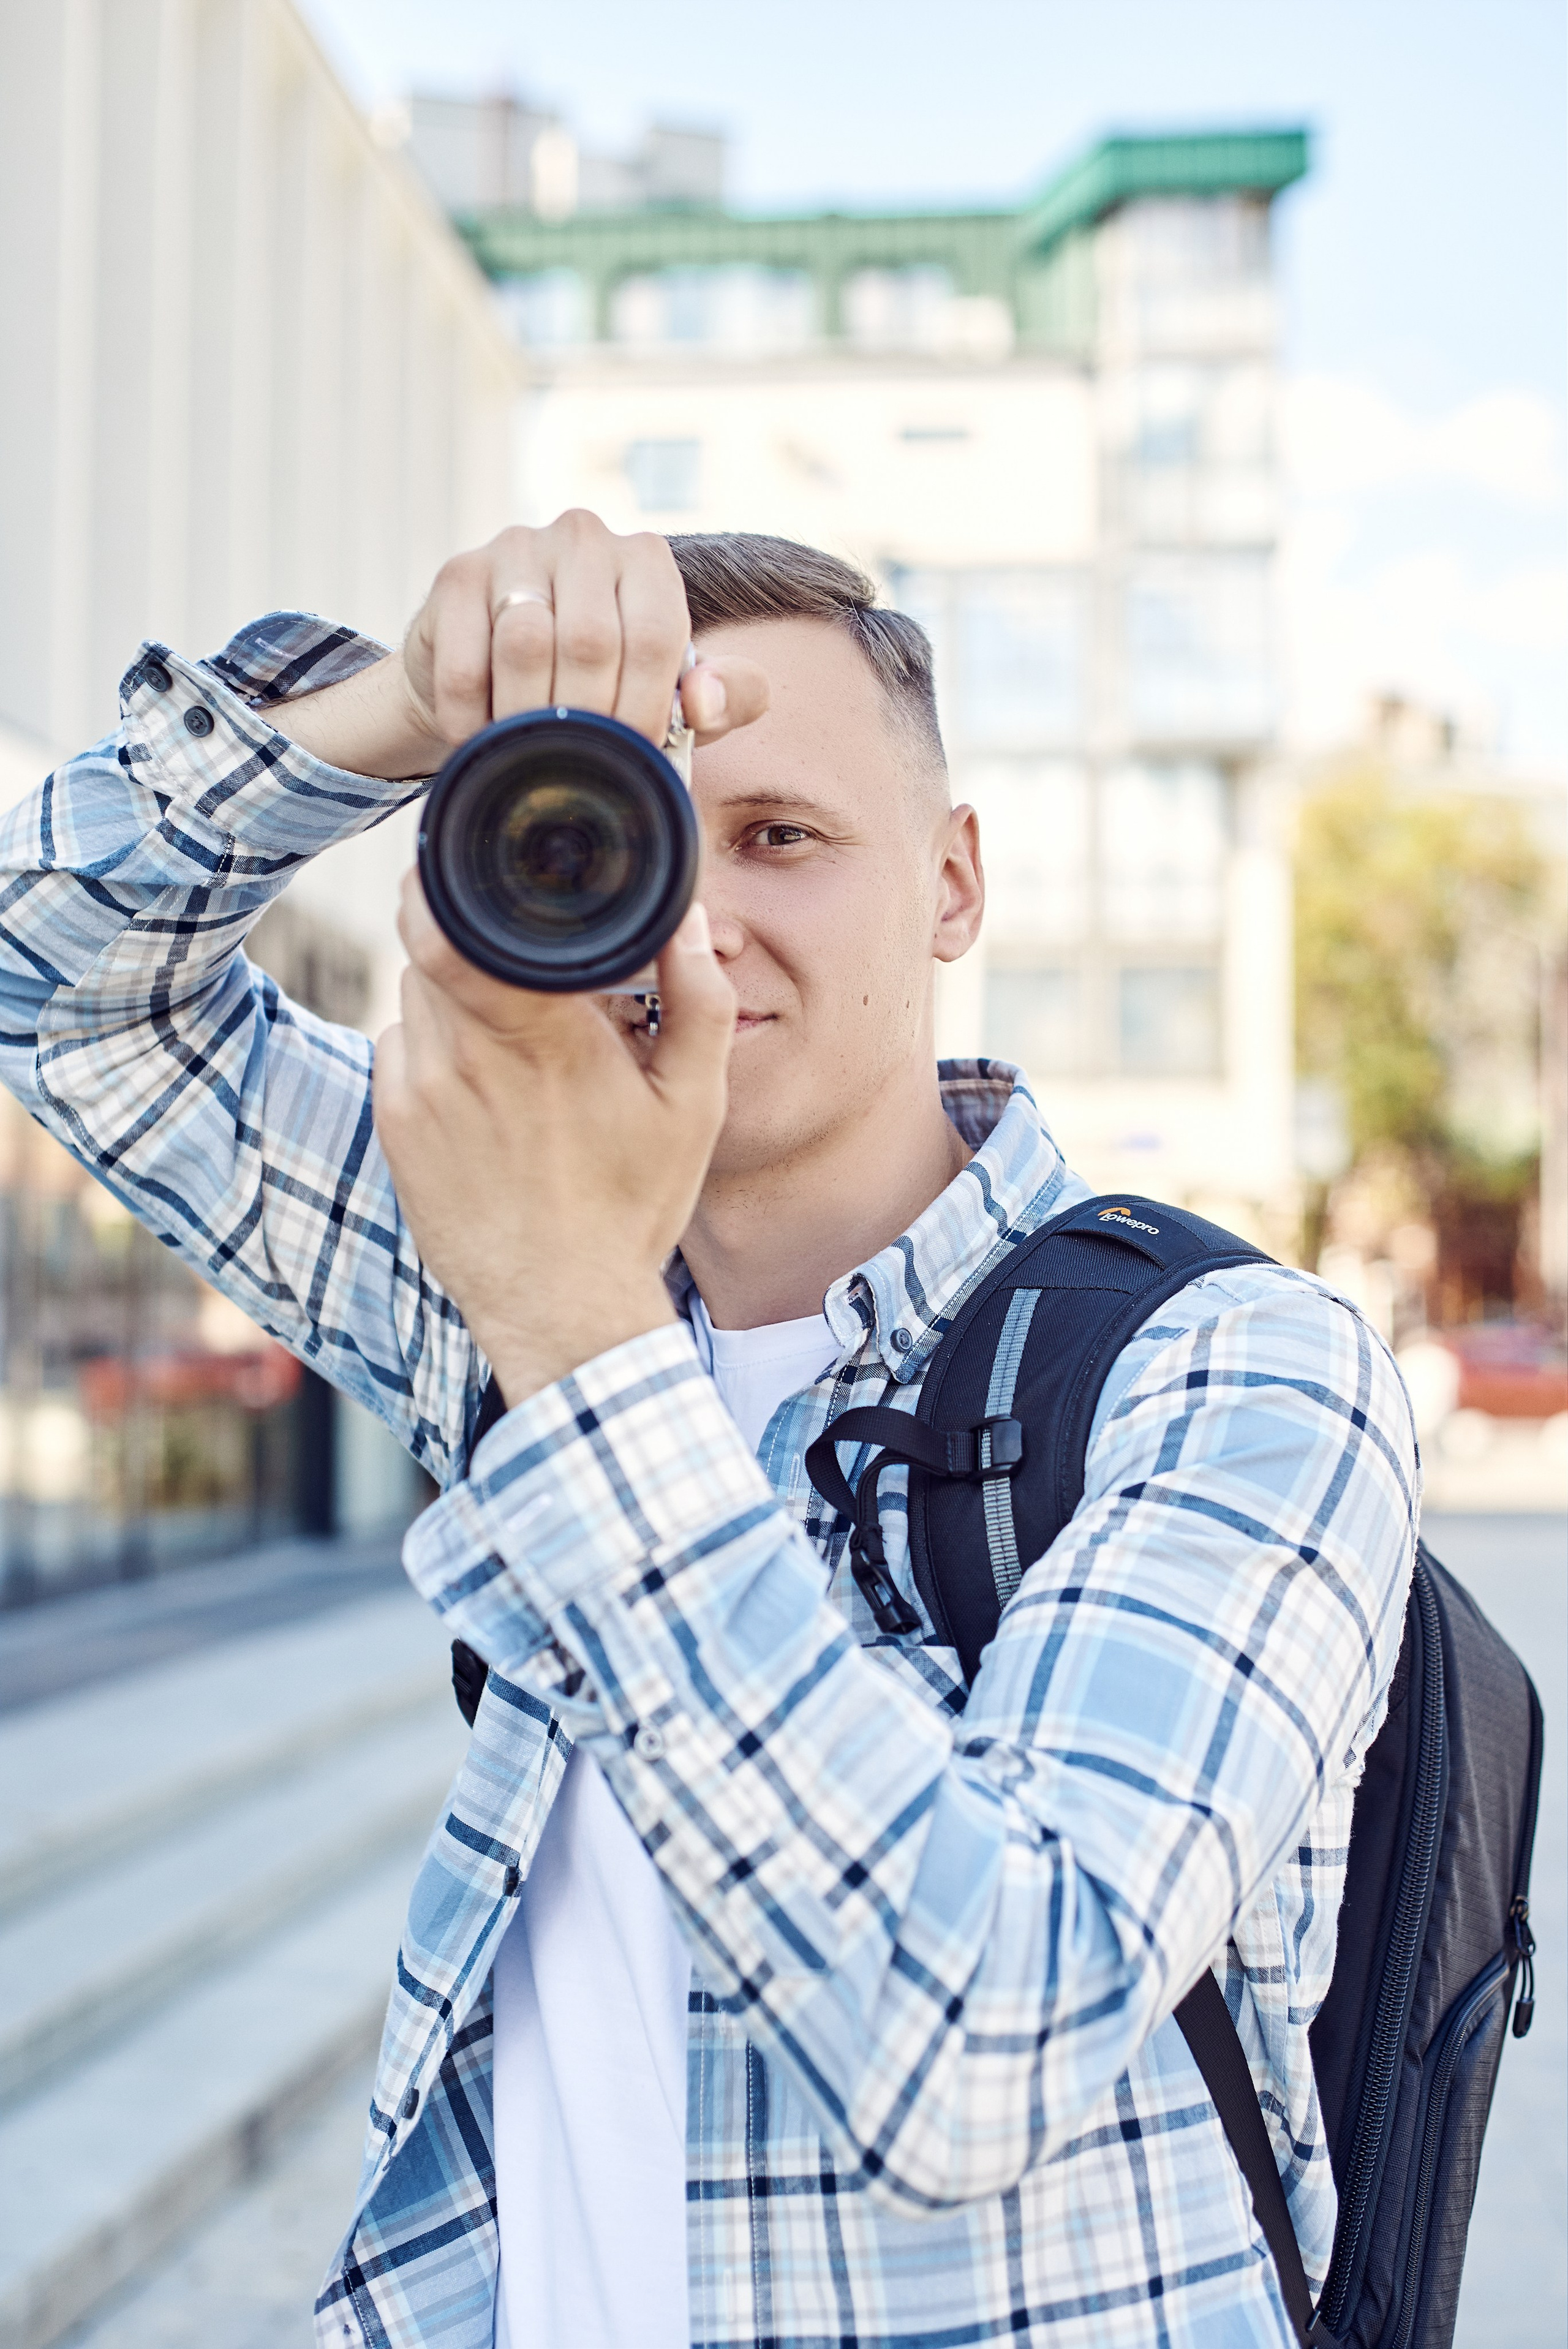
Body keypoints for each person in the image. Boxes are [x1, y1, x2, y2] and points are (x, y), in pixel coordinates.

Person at [0, 512, 1416, 2349]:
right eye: (620, 824)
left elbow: (987, 2037)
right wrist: (392, 718)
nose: (694, 916)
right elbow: (53, 973)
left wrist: (575, 1333)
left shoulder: (1237, 1375)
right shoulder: (517, 1269)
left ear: (954, 882)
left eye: (780, 837)